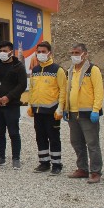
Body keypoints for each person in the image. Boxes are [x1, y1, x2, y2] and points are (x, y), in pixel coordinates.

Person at [64, 43, 104, 184]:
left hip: (87, 113)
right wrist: (65, 108)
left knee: (92, 143)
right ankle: (82, 168)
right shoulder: (70, 70)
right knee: (76, 142)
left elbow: (99, 91)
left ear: (85, 54)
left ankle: (95, 171)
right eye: (72, 53)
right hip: (73, 112)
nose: (74, 55)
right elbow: (68, 90)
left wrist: (96, 109)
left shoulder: (93, 70)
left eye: (77, 53)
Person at [27, 41, 67, 175]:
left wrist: (60, 108)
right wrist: (30, 105)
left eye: (43, 52)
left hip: (52, 111)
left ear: (49, 53)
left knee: (53, 137)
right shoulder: (35, 70)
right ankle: (44, 162)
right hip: (38, 111)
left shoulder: (57, 70)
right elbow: (32, 89)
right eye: (39, 52)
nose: (41, 54)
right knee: (40, 137)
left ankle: (56, 164)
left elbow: (63, 90)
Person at [0, 41, 27, 170]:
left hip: (12, 105)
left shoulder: (18, 67)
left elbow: (22, 85)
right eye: (0, 51)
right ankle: (1, 157)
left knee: (14, 132)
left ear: (11, 52)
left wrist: (9, 97)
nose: (2, 53)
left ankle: (16, 158)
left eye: (5, 51)